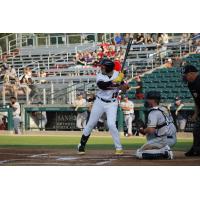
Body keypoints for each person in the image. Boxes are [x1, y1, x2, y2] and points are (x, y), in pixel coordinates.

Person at [77, 59, 128, 155]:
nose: (101, 68)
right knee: (91, 123)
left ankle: (119, 148)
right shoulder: (100, 75)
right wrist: (114, 81)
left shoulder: (118, 74)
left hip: (112, 103)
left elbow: (125, 90)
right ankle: (81, 145)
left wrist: (122, 83)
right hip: (99, 102)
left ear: (108, 68)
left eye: (103, 67)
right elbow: (102, 86)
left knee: (111, 124)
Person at [136, 91, 177, 160]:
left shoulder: (153, 112)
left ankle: (164, 152)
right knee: (151, 136)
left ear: (152, 100)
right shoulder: (164, 108)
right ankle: (164, 149)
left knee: (139, 153)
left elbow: (151, 130)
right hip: (172, 138)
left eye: (148, 99)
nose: (146, 101)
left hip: (163, 140)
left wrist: (142, 130)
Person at [182, 64, 200, 156]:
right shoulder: (191, 84)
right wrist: (196, 114)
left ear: (192, 73)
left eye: (185, 75)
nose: (184, 77)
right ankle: (196, 149)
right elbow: (196, 100)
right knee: (196, 130)